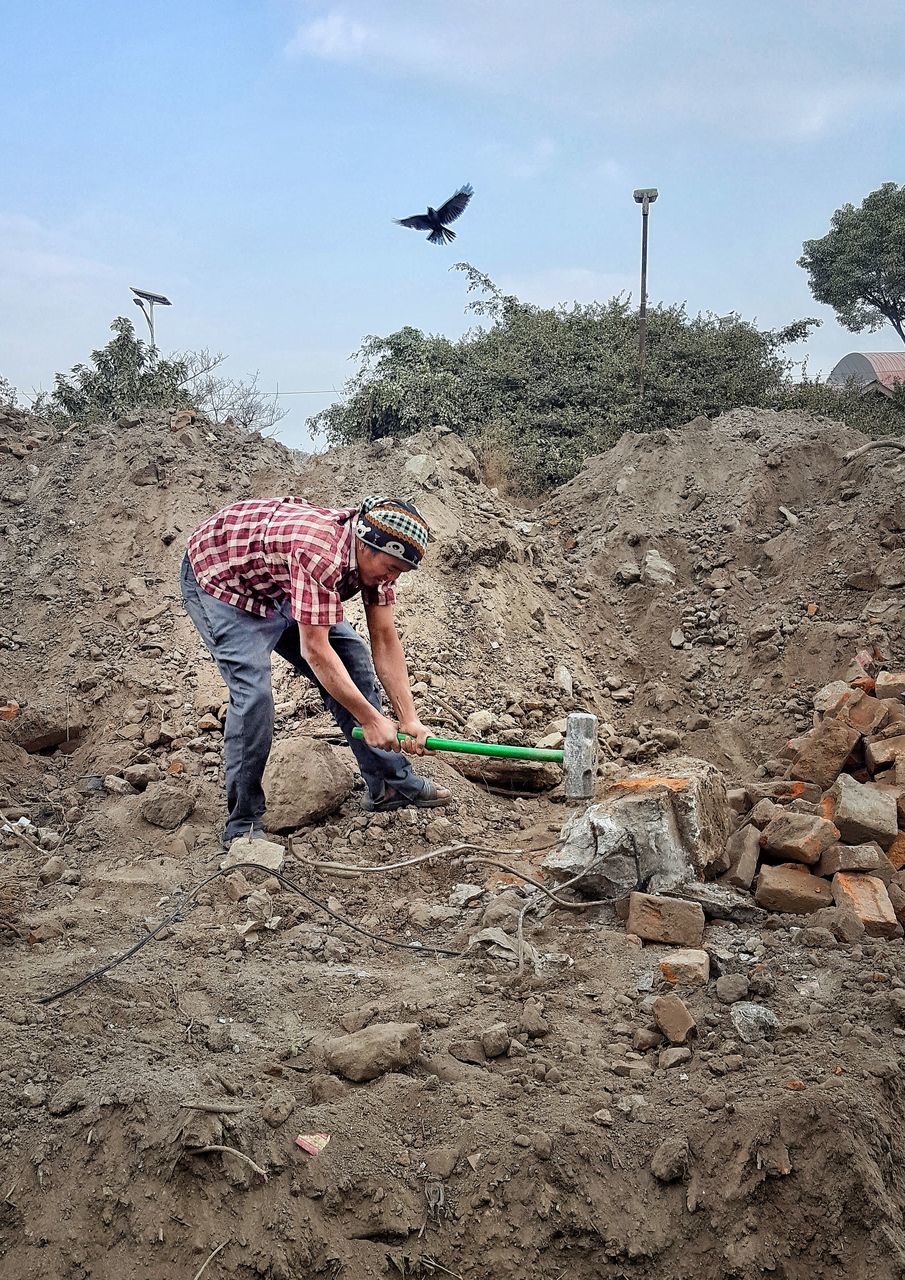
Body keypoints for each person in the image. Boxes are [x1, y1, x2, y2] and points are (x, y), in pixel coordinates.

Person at [180, 493, 451, 847]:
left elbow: (384, 640)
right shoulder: (320, 554)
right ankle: (243, 823)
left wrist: (409, 718)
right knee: (253, 696)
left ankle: (388, 786)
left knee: (353, 658)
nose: (392, 578)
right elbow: (316, 651)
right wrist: (370, 720)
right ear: (367, 545)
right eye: (390, 568)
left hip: (282, 583)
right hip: (224, 579)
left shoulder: (381, 564)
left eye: (399, 572)